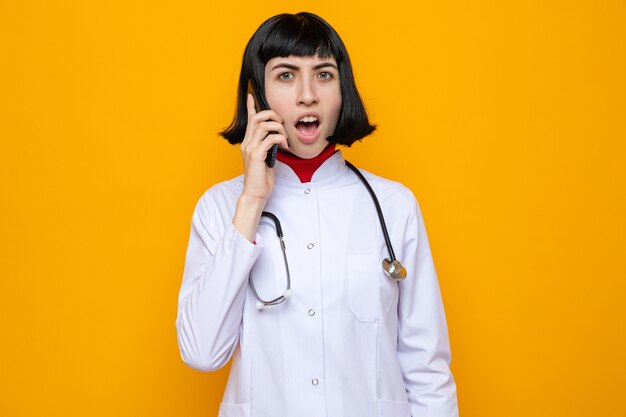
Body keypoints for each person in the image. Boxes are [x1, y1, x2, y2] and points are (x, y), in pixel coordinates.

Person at [176, 12, 459, 417]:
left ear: (342, 89)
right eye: (286, 75)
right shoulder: (221, 207)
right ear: (256, 95)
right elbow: (202, 352)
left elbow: (427, 369)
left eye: (323, 75)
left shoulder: (394, 206)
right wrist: (253, 201)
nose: (307, 95)